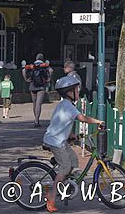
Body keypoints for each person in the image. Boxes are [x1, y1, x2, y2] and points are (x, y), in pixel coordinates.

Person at [43, 76, 104, 212]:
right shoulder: (67, 105)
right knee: (65, 167)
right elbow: (82, 118)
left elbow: (61, 123)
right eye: (76, 89)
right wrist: (98, 122)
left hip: (59, 140)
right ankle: (51, 196)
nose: (78, 91)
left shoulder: (65, 105)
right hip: (55, 142)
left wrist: (71, 135)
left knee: (73, 160)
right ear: (69, 92)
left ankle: (63, 185)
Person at [24, 53, 52, 128]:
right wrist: (49, 79)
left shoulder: (32, 65)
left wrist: (26, 79)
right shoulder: (44, 65)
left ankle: (36, 119)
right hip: (41, 86)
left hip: (32, 85)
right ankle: (37, 121)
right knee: (38, 104)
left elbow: (23, 70)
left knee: (34, 103)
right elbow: (51, 70)